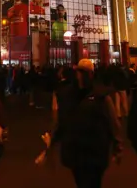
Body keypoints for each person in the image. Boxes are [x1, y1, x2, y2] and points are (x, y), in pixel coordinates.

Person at [41, 59, 122, 188]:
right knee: (81, 181)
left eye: (85, 72)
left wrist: (117, 146)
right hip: (76, 150)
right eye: (80, 72)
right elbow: (63, 119)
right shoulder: (68, 95)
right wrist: (53, 138)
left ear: (91, 74)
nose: (81, 76)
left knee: (92, 182)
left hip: (95, 149)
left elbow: (112, 121)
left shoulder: (101, 96)